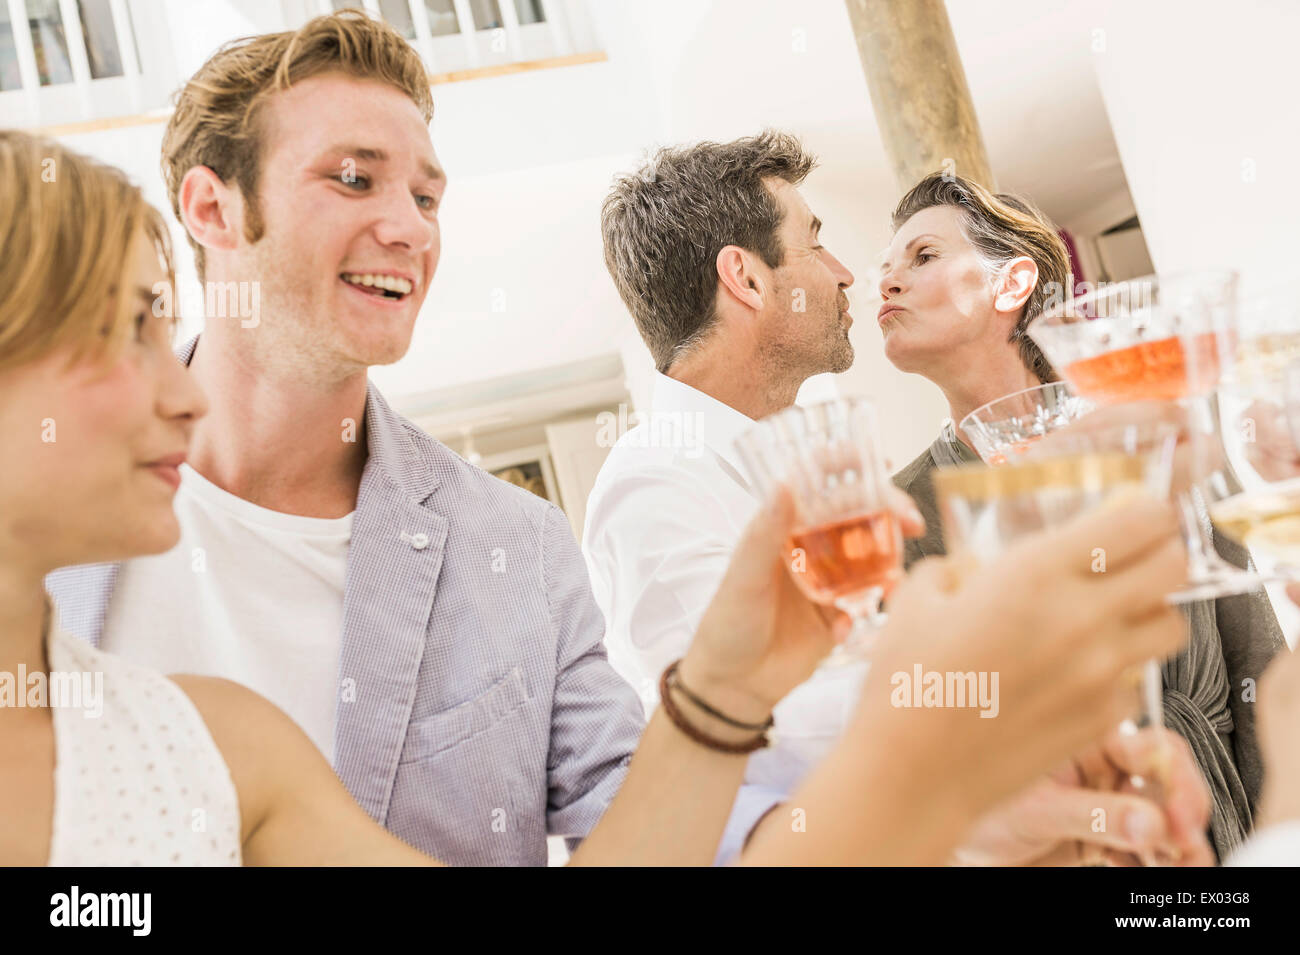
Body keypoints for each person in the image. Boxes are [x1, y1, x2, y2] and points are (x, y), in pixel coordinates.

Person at [0, 129, 1202, 866]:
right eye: (125, 330)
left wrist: (948, 806)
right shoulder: (662, 475)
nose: (180, 387)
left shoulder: (218, 741)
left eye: (428, 193)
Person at [41, 11, 652, 866]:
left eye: (427, 197)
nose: (412, 229)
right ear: (213, 208)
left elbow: (651, 822)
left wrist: (726, 706)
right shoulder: (47, 508)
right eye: (356, 179)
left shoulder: (522, 551)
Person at [587, 132, 1211, 866]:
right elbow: (743, 741)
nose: (848, 274)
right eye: (815, 245)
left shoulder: (802, 466)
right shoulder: (656, 477)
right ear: (748, 280)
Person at [879, 171, 1287, 860]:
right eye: (884, 268)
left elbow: (1255, 654)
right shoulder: (906, 512)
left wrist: (1276, 840)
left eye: (922, 258)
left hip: (1228, 822)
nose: (886, 283)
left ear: (1010, 285)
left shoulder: (1152, 425)